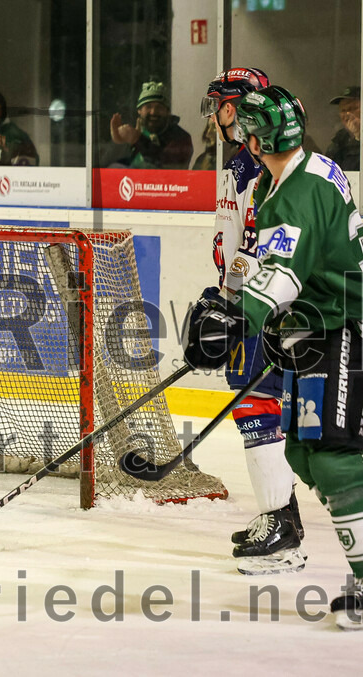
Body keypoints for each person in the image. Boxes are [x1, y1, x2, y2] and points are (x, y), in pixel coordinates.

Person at [183, 85, 363, 629]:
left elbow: (281, 274)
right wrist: (234, 306)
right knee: (304, 452)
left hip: (344, 326)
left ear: (258, 138)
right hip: (316, 326)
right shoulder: (297, 173)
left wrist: (236, 320)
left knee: (332, 456)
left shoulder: (295, 194)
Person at [197, 67, 305, 576]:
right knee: (258, 406)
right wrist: (223, 294)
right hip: (256, 301)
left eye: (219, 105)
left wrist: (233, 300)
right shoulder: (245, 162)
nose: (214, 116)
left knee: (256, 406)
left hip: (264, 306)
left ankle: (282, 536)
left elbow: (258, 246)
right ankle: (282, 519)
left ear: (236, 107)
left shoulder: (258, 167)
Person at [109, 81, 193, 169]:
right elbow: (117, 166)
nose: (153, 112)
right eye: (148, 107)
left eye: (159, 107)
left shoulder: (181, 137)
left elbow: (167, 164)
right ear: (139, 110)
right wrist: (119, 143)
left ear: (167, 111)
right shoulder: (136, 131)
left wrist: (138, 140)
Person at [325, 85, 360, 171]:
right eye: (343, 110)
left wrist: (358, 136)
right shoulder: (340, 138)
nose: (347, 114)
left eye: (353, 108)